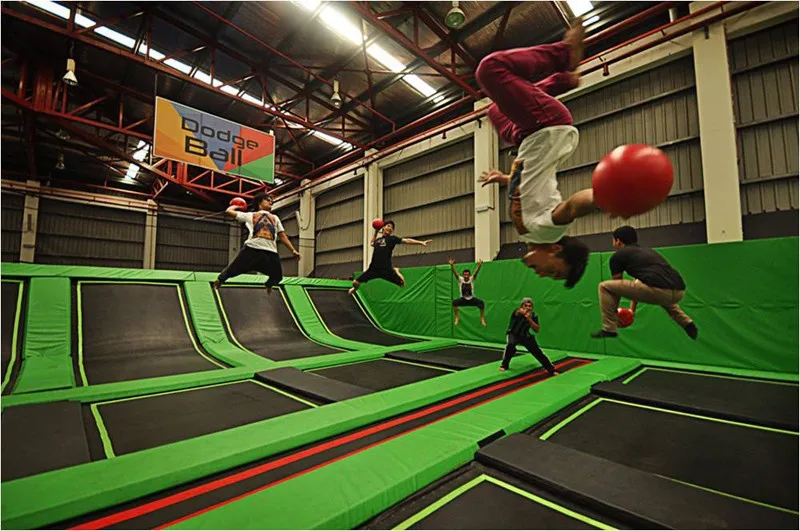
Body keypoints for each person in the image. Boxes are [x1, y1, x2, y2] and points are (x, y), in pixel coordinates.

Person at [474, 22, 596, 289]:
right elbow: (574, 205)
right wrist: (606, 197)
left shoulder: (528, 230)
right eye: (554, 272)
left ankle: (558, 83)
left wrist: (504, 178)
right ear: (556, 251)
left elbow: (529, 184)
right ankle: (564, 55)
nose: (543, 275)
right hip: (547, 125)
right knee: (490, 70)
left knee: (494, 112)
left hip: (526, 136)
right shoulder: (548, 231)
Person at [591, 225, 698, 339]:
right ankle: (687, 323)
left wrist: (614, 315)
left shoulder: (618, 256)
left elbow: (616, 291)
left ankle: (609, 329)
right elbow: (637, 285)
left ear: (618, 241)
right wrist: (632, 310)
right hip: (679, 292)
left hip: (658, 291)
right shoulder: (647, 251)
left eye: (613, 240)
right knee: (649, 287)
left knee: (604, 286)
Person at [213, 192, 299, 294]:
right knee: (234, 268)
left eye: (272, 201)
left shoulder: (275, 218)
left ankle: (268, 284)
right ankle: (220, 280)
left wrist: (293, 250)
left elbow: (282, 236)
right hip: (252, 248)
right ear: (259, 202)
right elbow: (229, 211)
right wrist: (237, 205)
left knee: (278, 276)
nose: (271, 202)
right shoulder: (250, 215)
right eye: (267, 200)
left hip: (270, 251)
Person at [348, 221, 432, 296]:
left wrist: (421, 242)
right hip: (373, 268)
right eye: (388, 226)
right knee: (355, 283)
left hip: (386, 269)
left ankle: (396, 271)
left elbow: (407, 240)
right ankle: (355, 289)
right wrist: (376, 231)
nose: (390, 228)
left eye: (392, 228)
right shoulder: (378, 240)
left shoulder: (392, 239)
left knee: (402, 284)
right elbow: (371, 243)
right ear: (383, 227)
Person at [500, 297, 558, 375]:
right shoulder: (517, 312)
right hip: (513, 334)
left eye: (530, 306)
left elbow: (537, 329)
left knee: (537, 351)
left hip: (525, 335)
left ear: (532, 307)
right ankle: (504, 365)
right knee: (511, 345)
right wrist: (524, 313)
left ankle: (551, 369)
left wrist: (530, 319)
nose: (528, 308)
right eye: (525, 305)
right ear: (521, 306)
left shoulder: (533, 316)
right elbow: (519, 312)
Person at [449, 258, 487, 326]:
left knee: (481, 303)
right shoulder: (461, 279)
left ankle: (482, 318)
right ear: (463, 275)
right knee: (454, 302)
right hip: (463, 299)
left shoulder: (471, 279)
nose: (466, 276)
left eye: (467, 275)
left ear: (469, 275)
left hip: (471, 298)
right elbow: (455, 273)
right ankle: (457, 317)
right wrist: (452, 265)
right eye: (465, 275)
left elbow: (476, 273)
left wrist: (479, 266)